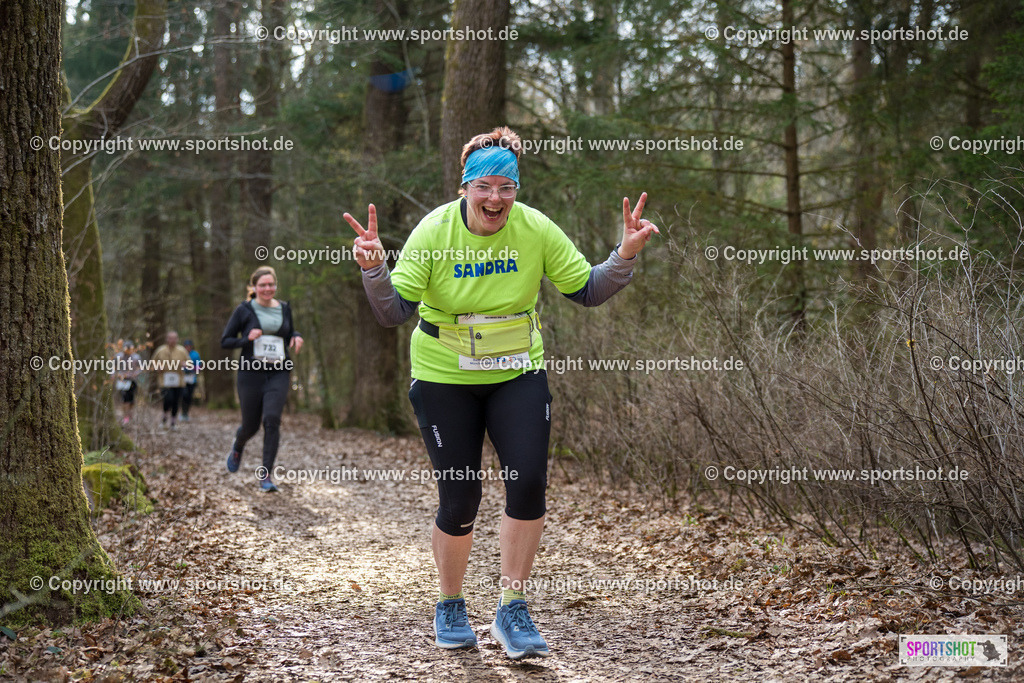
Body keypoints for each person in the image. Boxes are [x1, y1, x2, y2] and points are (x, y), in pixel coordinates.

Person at [345, 126, 658, 659]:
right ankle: (450, 603)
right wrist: (375, 268)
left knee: (528, 482)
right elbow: (393, 312)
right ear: (465, 187)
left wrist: (624, 254)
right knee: (461, 495)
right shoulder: (434, 231)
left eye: (506, 188)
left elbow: (587, 289)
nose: (496, 198)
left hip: (516, 372)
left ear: (516, 190)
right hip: (444, 375)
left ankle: (512, 607)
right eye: (484, 187)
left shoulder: (535, 228)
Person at [221, 266, 303, 492]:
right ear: (254, 287)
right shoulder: (244, 310)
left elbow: (289, 332)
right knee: (251, 426)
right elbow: (225, 341)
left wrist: (296, 336)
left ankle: (265, 475)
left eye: (271, 284)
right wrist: (246, 339)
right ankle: (238, 444)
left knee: (272, 419)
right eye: (262, 285)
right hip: (250, 373)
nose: (267, 288)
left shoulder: (284, 308)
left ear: (276, 285)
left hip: (279, 371)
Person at [151, 331, 191, 429]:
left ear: (177, 339)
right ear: (167, 339)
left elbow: (189, 363)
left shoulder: (182, 350)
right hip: (164, 380)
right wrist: (157, 367)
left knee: (176, 401)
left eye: (174, 338)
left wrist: (185, 364)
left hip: (179, 381)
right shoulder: (161, 350)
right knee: (168, 398)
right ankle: (164, 418)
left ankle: (173, 422)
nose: (172, 340)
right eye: (170, 338)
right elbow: (152, 363)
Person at [113, 340, 142, 425]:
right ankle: (125, 416)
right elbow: (113, 368)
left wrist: (135, 373)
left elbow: (141, 368)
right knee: (125, 398)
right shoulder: (118, 357)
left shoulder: (136, 357)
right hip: (123, 380)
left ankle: (130, 414)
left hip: (133, 380)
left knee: (131, 399)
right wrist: (115, 375)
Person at [181, 339, 201, 422]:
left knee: (189, 396)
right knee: (184, 395)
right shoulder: (181, 353)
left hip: (192, 378)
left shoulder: (195, 355)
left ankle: (186, 413)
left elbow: (199, 367)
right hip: (182, 378)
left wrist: (191, 368)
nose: (187, 348)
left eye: (189, 346)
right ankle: (183, 412)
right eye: (186, 346)